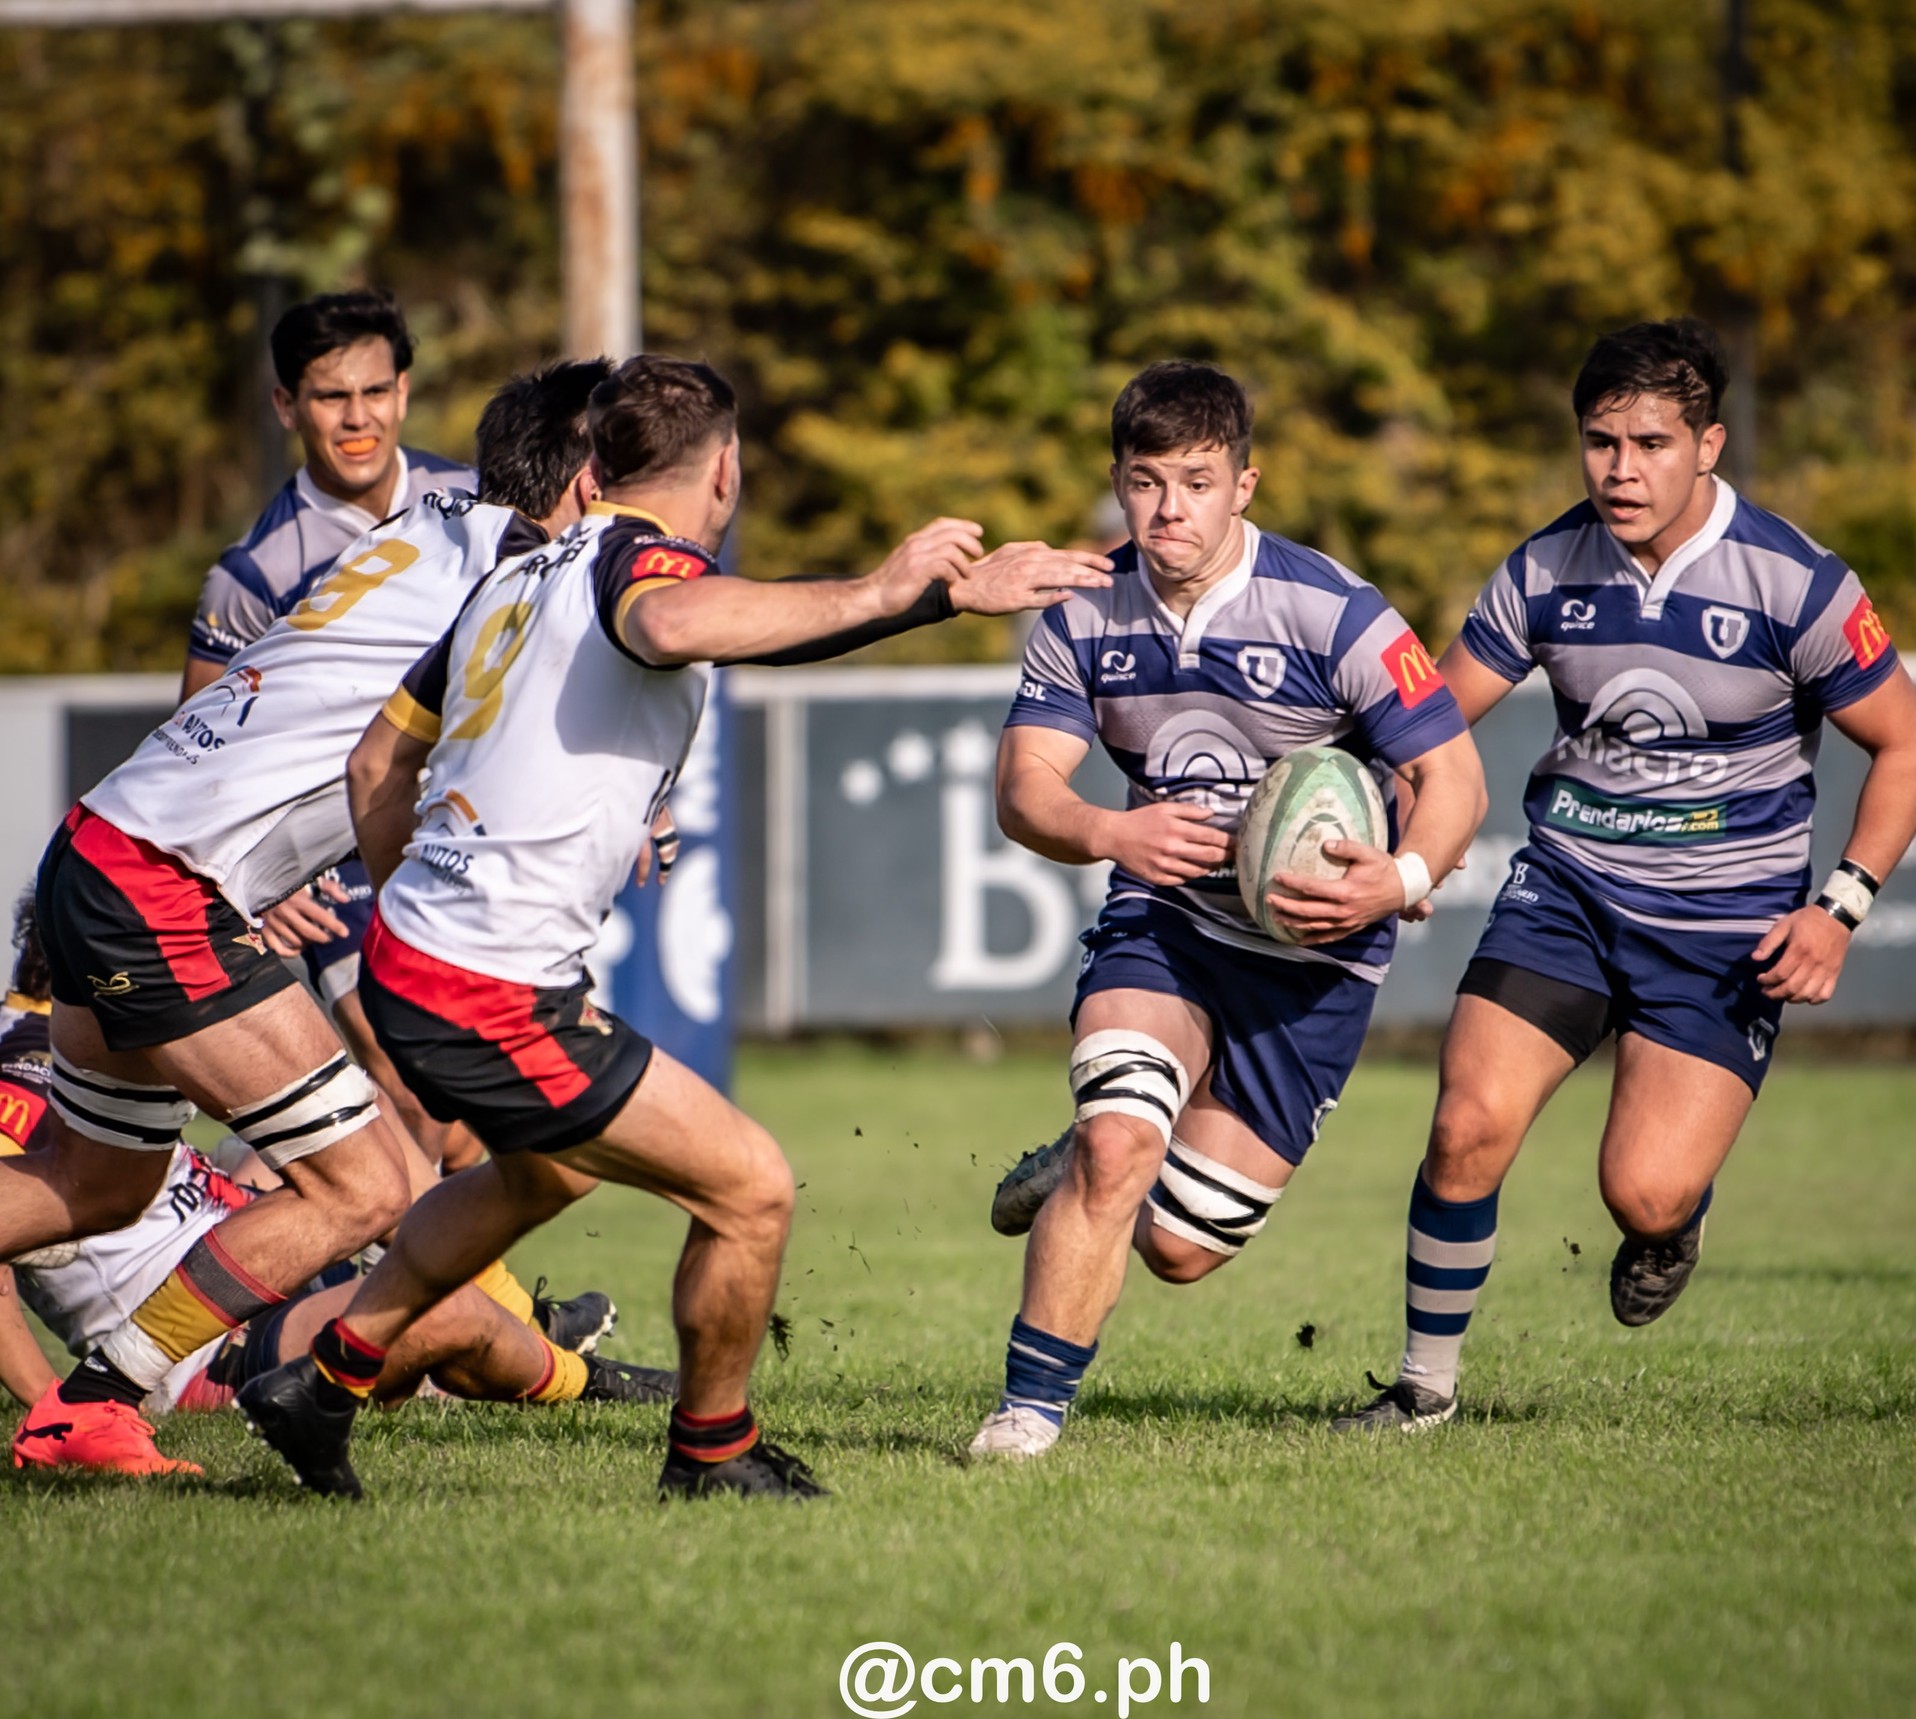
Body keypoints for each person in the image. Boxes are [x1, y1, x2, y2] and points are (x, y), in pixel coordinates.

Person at [236, 352, 1118, 1502]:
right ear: (727, 470)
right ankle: (712, 1455)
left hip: (412, 958)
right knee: (749, 1188)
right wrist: (883, 586)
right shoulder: (636, 566)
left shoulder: (515, 579)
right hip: (481, 982)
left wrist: (425, 905)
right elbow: (668, 618)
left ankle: (321, 1385)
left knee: (540, 1176)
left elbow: (378, 761)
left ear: (594, 464)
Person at [0, 362, 618, 1471]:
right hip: (161, 889)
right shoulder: (525, 568)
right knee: (366, 1186)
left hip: (102, 848)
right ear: (583, 483)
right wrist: (898, 596)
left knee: (98, 1184)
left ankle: (92, 1405)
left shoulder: (443, 529)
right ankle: (91, 1407)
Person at [1336, 318, 1916, 1434]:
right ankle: (1422, 1393)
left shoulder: (1793, 584)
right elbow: (1421, 726)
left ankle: (1673, 1220)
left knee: (1643, 1191)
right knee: (1466, 1124)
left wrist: (1837, 910)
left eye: (1649, 444)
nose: (1619, 470)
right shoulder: (1542, 570)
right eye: (1599, 442)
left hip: (1726, 929)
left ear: (1706, 445)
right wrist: (1395, 839)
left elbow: (1908, 745)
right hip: (1565, 894)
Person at [969, 360, 1487, 1459]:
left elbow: (1456, 782)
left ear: (1244, 485)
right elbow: (1024, 789)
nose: (1168, 510)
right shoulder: (1083, 609)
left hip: (1313, 959)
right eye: (1145, 482)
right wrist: (1114, 833)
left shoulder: (1332, 610)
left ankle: (1088, 1157)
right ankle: (1026, 1416)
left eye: (1195, 482)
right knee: (1122, 1145)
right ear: (1117, 482)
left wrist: (1394, 882)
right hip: (1166, 923)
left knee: (1180, 1248)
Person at [182, 290, 474, 1158]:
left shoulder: (480, 506)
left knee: (481, 1110)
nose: (358, 420)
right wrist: (268, 876)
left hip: (466, 829)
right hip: (339, 856)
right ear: (286, 405)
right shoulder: (253, 574)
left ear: (405, 392)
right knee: (415, 1084)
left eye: (375, 392)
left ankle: (285, 1199)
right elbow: (199, 753)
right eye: (331, 396)